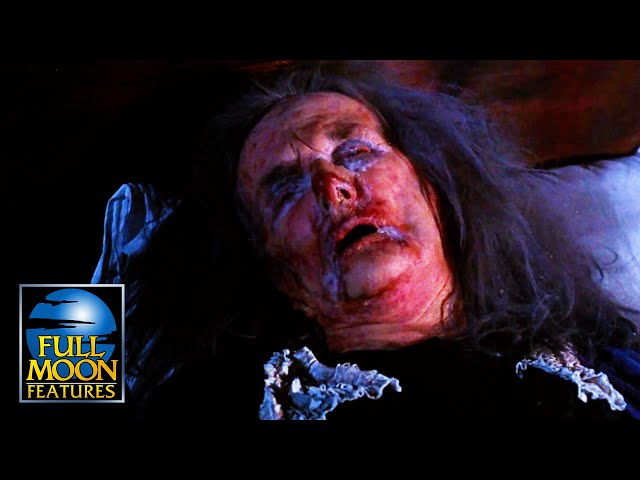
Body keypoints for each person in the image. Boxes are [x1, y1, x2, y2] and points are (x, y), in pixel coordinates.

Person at [93, 63, 640, 422]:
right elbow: (64, 376)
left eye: (355, 153)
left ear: (434, 184)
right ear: (274, 270)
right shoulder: (235, 395)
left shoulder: (594, 352)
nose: (331, 186)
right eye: (284, 189)